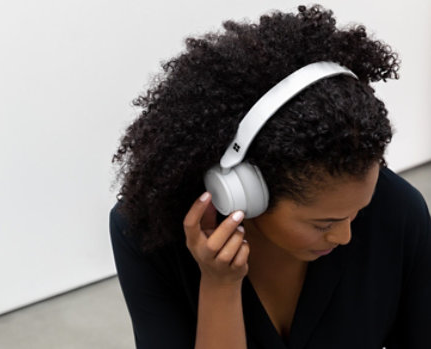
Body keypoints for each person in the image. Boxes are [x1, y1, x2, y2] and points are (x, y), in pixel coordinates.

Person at [109, 5, 431, 349]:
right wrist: (220, 286)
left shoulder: (398, 212)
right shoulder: (146, 235)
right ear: (244, 190)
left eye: (358, 212)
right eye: (323, 224)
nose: (345, 235)